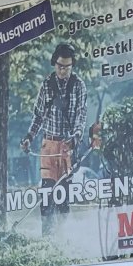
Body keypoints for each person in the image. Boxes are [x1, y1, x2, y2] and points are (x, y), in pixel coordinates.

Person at [20, 42, 87, 232]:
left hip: (68, 144)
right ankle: (47, 236)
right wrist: (28, 138)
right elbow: (38, 116)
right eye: (60, 66)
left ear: (72, 65)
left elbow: (81, 115)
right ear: (54, 63)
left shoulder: (79, 86)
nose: (63, 70)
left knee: (63, 193)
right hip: (48, 144)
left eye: (67, 66)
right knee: (47, 191)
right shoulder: (46, 86)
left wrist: (77, 136)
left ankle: (62, 235)